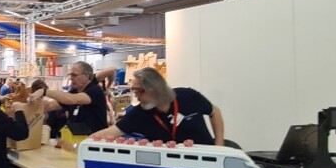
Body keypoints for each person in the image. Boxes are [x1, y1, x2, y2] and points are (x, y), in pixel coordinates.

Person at [90, 67, 225, 146]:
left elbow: (215, 112)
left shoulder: (188, 96)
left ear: (156, 89)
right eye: (134, 91)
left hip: (206, 159)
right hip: (171, 166)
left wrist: (219, 147)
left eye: (140, 91)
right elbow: (111, 132)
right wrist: (84, 143)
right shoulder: (139, 114)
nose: (136, 96)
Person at [33, 61, 108, 136]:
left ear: (87, 76)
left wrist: (45, 91)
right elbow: (50, 106)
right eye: (70, 75)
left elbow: (73, 99)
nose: (71, 78)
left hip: (94, 141)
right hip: (76, 139)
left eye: (74, 75)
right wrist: (32, 102)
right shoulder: (74, 91)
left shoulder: (95, 91)